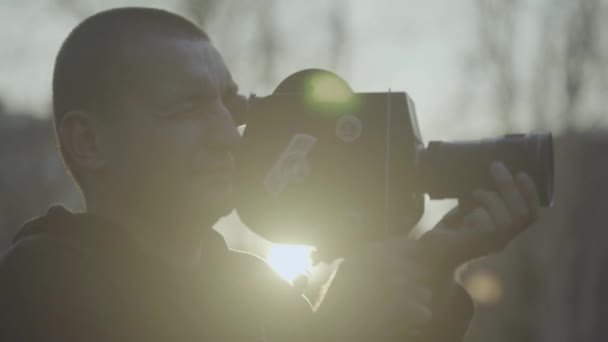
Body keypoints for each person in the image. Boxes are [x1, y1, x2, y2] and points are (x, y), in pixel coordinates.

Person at [0, 7, 541, 342]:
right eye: (185, 109)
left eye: (230, 107)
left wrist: (434, 262)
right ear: (90, 142)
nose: (225, 134)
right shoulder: (40, 285)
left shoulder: (254, 288)